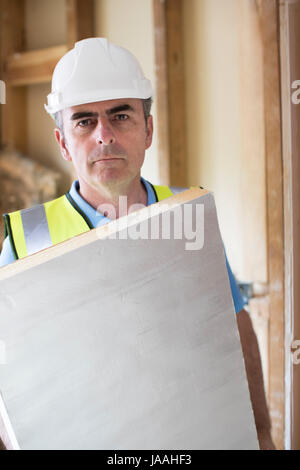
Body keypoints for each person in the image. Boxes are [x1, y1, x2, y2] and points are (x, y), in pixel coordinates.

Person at [0, 38, 274, 449]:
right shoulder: (26, 240)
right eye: (84, 121)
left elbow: (235, 326)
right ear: (62, 142)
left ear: (148, 129)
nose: (104, 135)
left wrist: (262, 435)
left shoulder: (188, 215)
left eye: (120, 115)